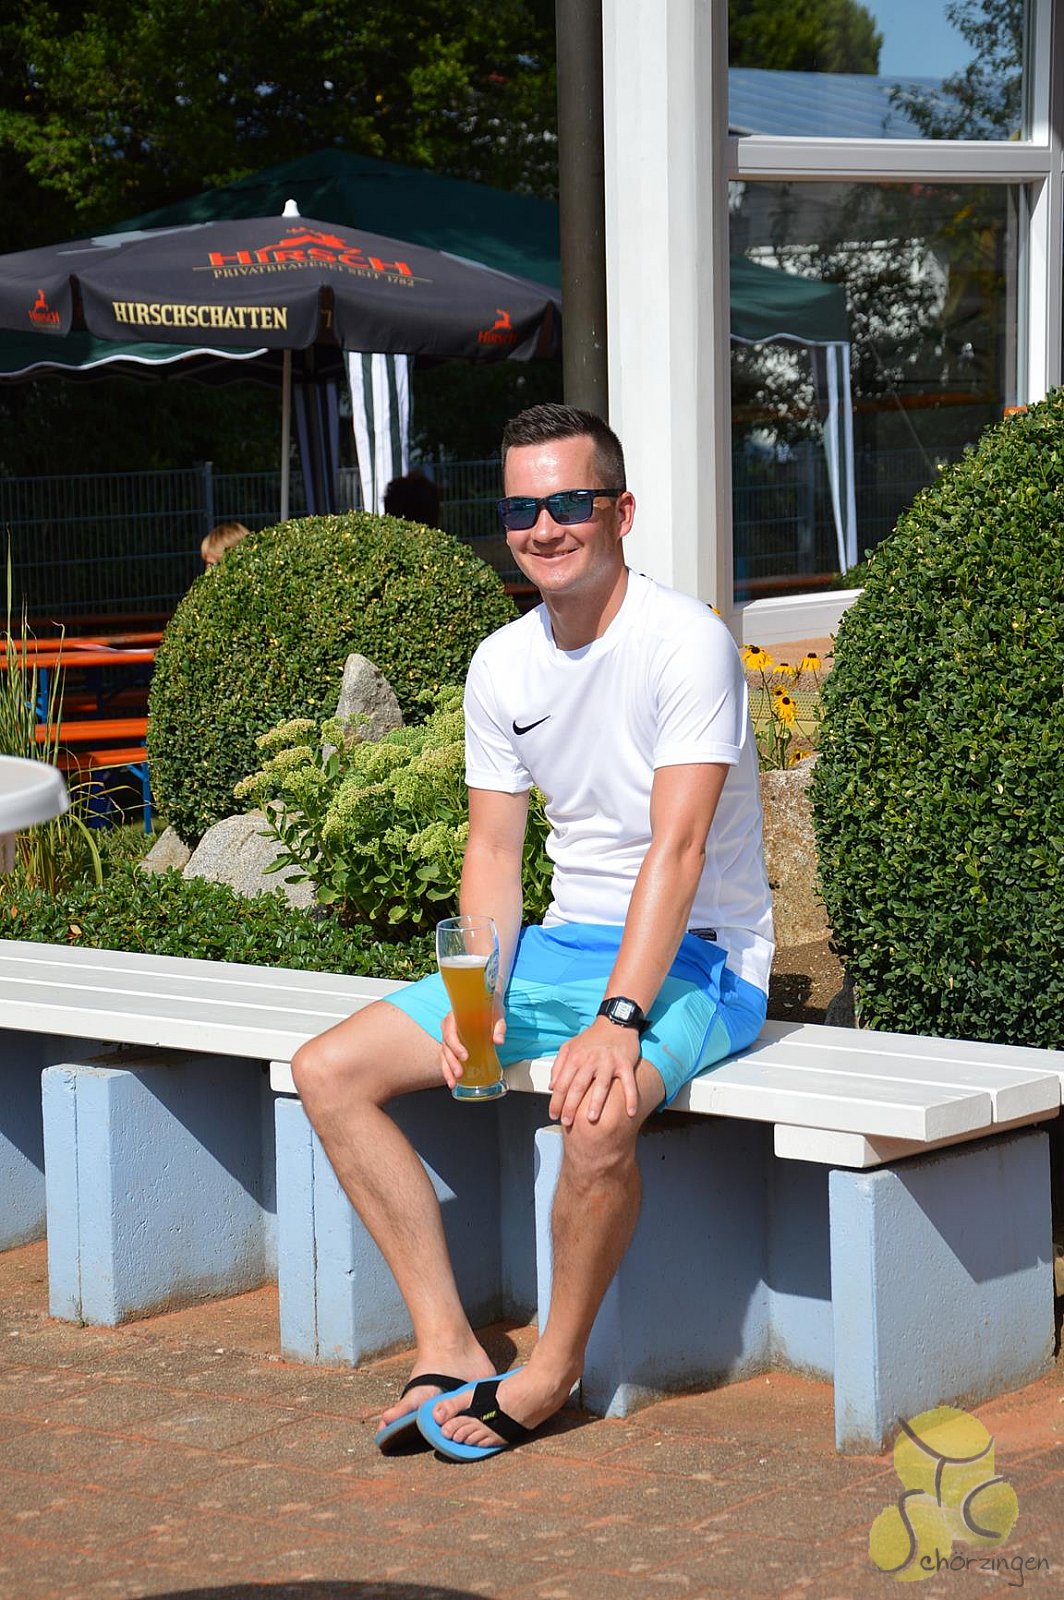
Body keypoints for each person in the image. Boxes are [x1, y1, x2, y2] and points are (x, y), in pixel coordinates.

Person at [291, 403, 773, 1462]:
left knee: (597, 1115)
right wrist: (479, 1001)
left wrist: (617, 1020)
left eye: (568, 503)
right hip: (564, 943)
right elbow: (494, 851)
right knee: (327, 1071)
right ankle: (448, 1342)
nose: (544, 527)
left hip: (702, 954)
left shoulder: (685, 644)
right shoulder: (502, 663)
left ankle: (551, 1368)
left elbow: (678, 851)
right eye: (520, 509)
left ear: (620, 512)